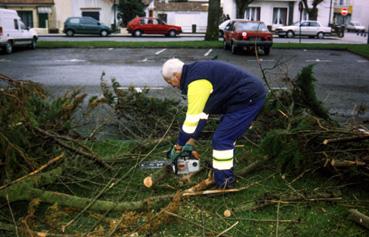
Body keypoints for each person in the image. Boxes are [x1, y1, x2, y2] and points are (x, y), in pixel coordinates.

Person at [162, 59, 266, 188]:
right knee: (225, 135)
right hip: (239, 99)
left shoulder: (196, 84)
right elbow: (202, 115)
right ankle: (222, 172)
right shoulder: (196, 74)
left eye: (169, 81)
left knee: (222, 138)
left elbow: (191, 122)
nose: (172, 85)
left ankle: (225, 182)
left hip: (247, 98)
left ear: (176, 75)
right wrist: (191, 141)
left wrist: (179, 145)